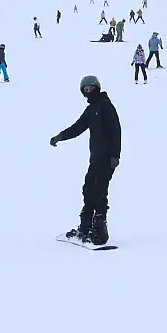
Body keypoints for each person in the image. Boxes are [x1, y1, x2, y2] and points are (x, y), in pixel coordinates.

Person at [50, 76, 122, 246]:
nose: (89, 92)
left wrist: (115, 156)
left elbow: (116, 132)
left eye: (91, 88)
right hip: (95, 158)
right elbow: (78, 127)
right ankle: (85, 228)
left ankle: (100, 233)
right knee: (88, 189)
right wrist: (60, 136)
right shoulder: (91, 110)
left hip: (107, 159)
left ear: (97, 88)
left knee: (99, 191)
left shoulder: (106, 106)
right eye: (86, 90)